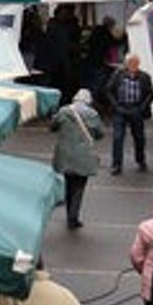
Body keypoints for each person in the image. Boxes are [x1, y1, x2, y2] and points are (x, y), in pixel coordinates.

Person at [48, 90, 103, 230]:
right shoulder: (92, 114)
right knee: (79, 186)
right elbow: (99, 134)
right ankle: (73, 217)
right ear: (88, 101)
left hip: (65, 154)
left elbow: (52, 127)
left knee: (68, 183)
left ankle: (69, 214)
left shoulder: (63, 111)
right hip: (83, 156)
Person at [103, 53, 153, 175]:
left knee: (139, 137)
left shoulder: (144, 77)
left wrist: (142, 108)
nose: (133, 66)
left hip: (136, 109)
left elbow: (150, 94)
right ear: (126, 64)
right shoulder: (118, 75)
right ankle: (116, 165)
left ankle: (141, 160)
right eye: (131, 63)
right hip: (120, 109)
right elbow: (108, 90)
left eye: (135, 63)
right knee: (118, 137)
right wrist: (115, 105)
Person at [84, 16, 122, 104]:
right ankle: (94, 103)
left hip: (92, 62)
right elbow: (112, 43)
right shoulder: (104, 33)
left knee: (92, 84)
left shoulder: (96, 32)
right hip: (99, 63)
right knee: (97, 85)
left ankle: (92, 102)